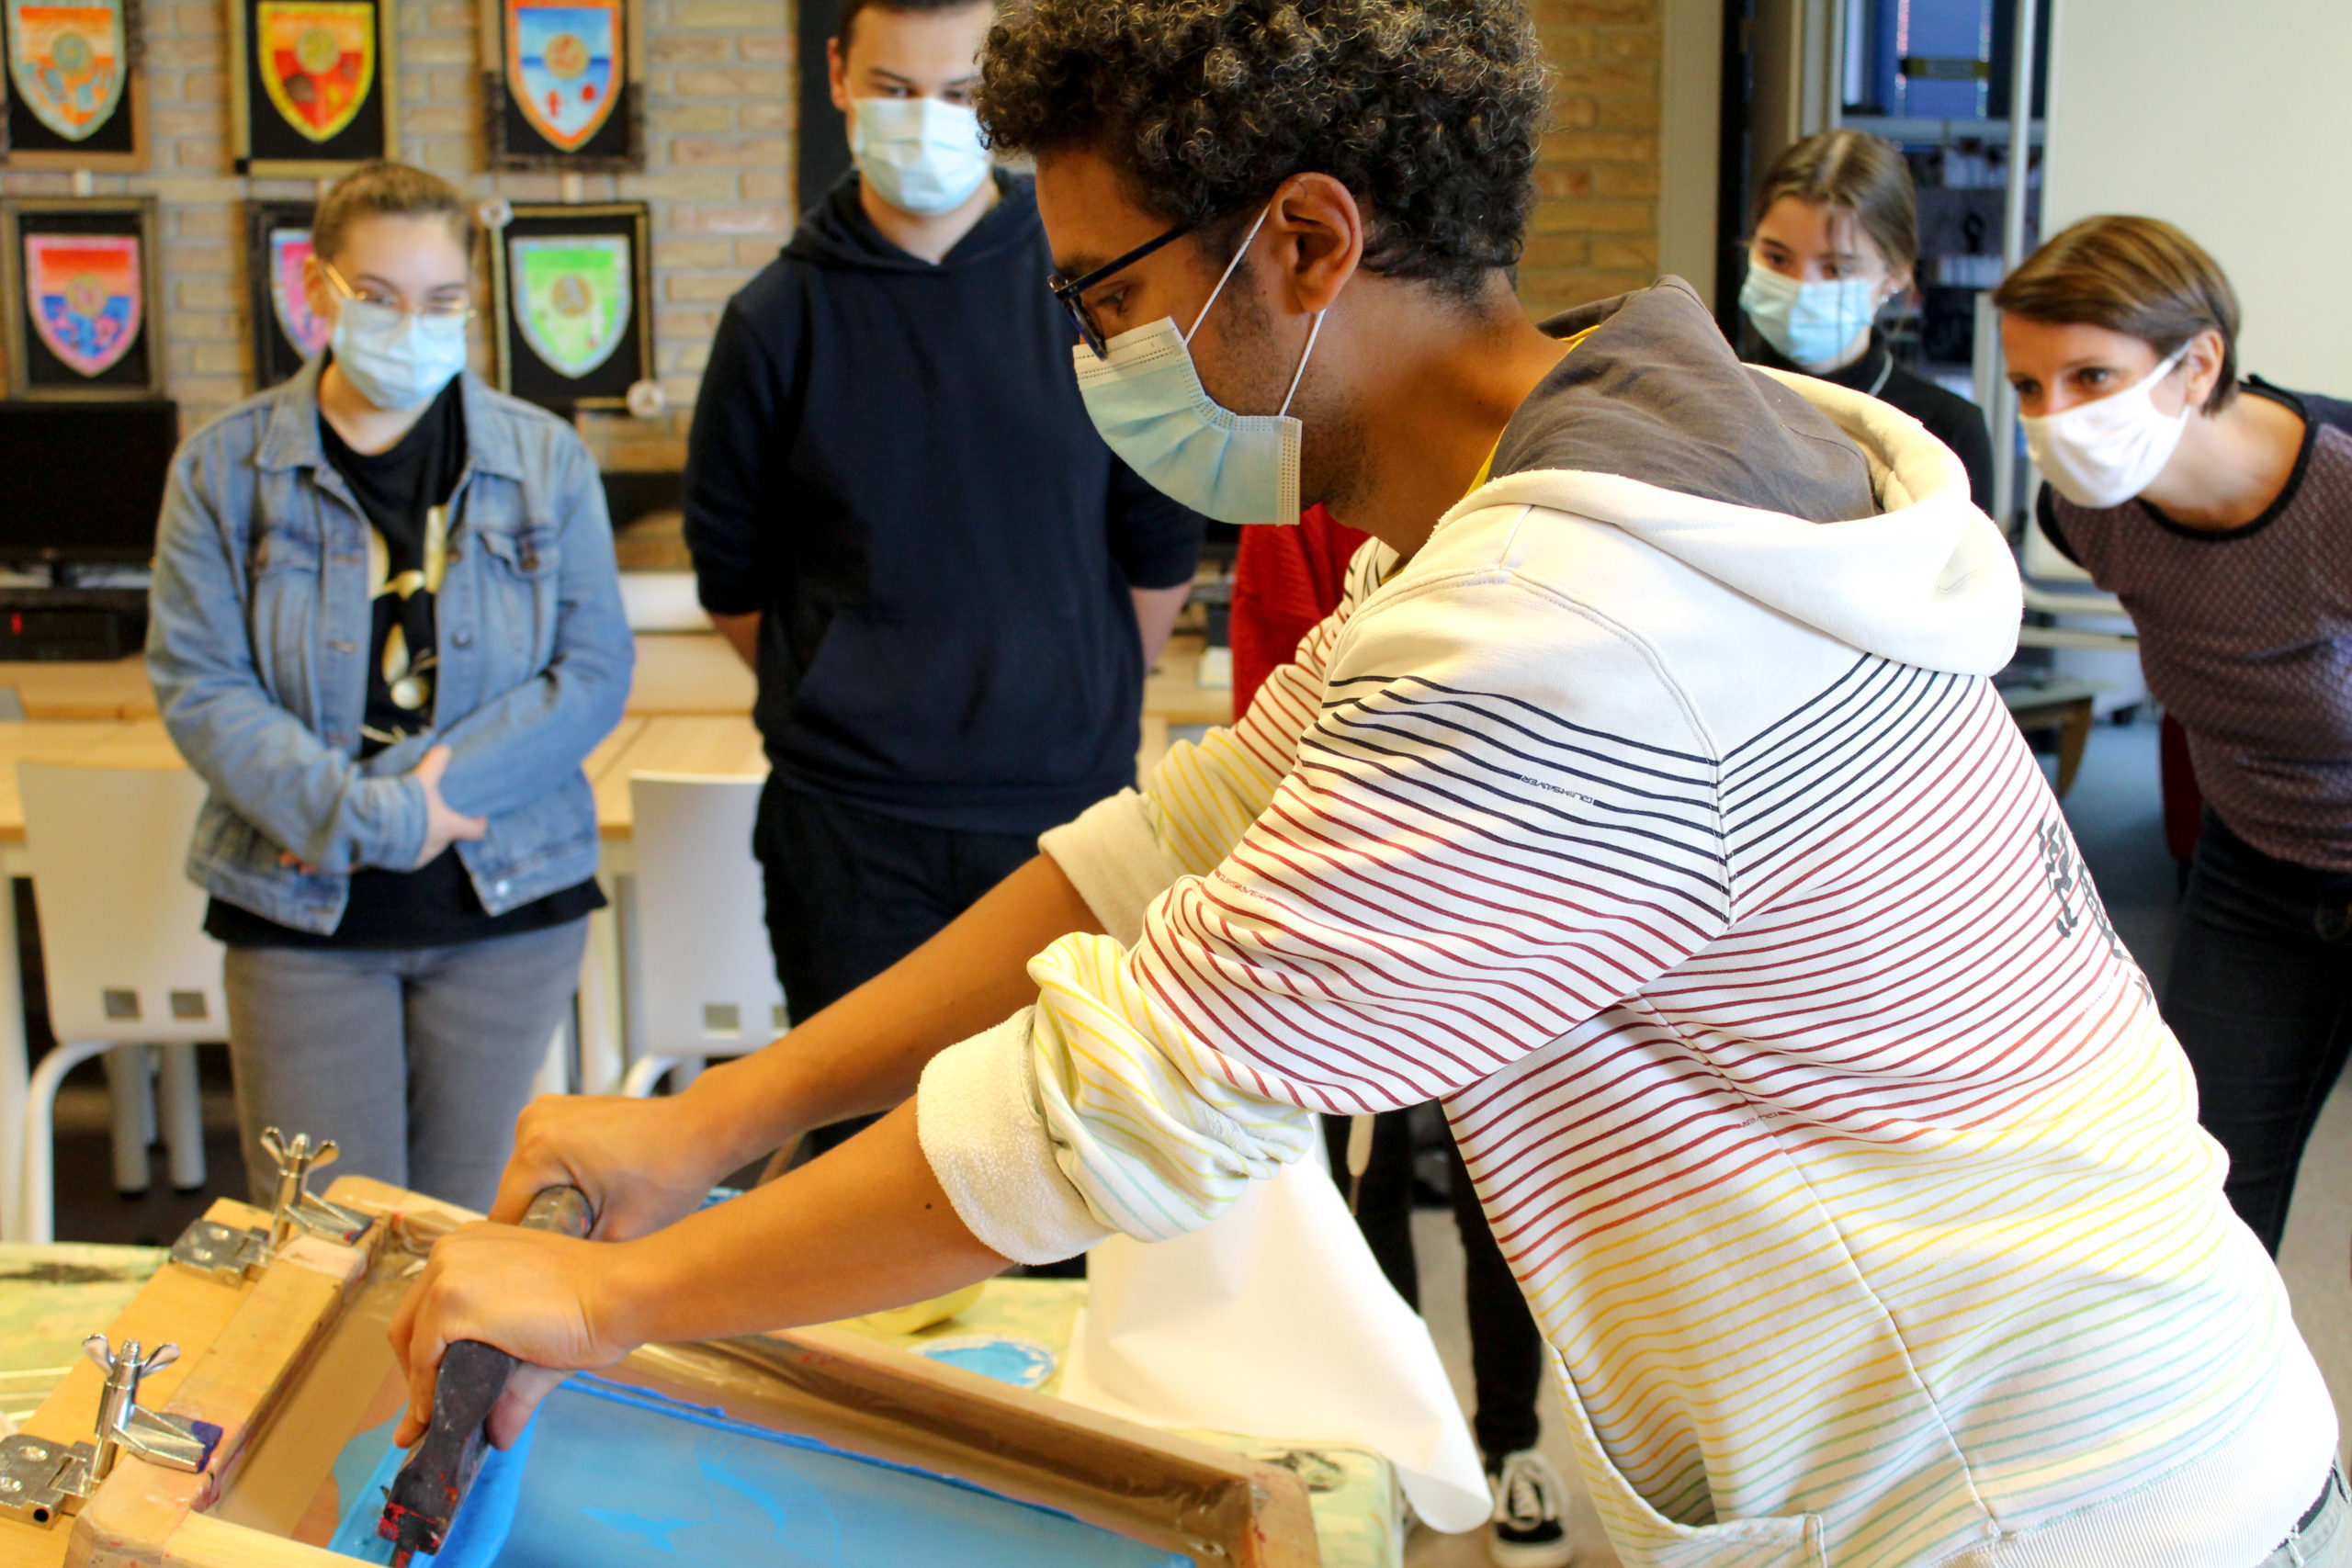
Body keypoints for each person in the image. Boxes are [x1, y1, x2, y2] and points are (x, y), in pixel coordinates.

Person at [390, 3, 2346, 1564]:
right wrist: (716, 1116)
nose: (1084, 350)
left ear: (1305, 243)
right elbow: (1170, 840)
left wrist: (613, 1297)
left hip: (2039, 1491)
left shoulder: (1573, 618)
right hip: (2042, 1409)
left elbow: (1109, 1109)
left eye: (1097, 297)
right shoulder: (1602, 486)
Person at [680, 0, 1205, 1156]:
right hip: (850, 830)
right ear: (838, 76)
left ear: (1003, 100)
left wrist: (1058, 674)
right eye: (896, 88)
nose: (926, 121)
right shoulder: (775, 320)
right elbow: (731, 577)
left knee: (1064, 1161)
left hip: (1063, 818)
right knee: (865, 1167)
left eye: (961, 95)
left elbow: (1157, 539)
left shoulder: (1088, 288)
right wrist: (852, 686)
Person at [147, 162, 632, 1212]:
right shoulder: (224, 469)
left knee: (466, 1237)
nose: (410, 324)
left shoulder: (545, 460)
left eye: (441, 301)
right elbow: (199, 682)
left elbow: (592, 676)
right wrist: (368, 816)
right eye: (377, 296)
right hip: (302, 911)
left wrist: (425, 799)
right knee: (321, 1237)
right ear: (317, 290)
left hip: (505, 901)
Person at [1996, 215, 2352, 1258]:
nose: (2052, 418)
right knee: (2198, 1196)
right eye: (2027, 386)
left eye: (2090, 378)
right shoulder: (2088, 513)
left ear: (2196, 365)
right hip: (2256, 868)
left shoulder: (2339, 493)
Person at [1238, 513, 1570, 1565]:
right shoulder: (1294, 493)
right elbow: (1266, 705)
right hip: (1348, 878)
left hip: (1522, 880)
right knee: (1358, 1179)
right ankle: (1393, 1437)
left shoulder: (1541, 484)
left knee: (1505, 1188)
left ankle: (1512, 1442)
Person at [1738, 129, 1996, 512]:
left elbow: (1968, 569)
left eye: (1836, 268)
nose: (1800, 286)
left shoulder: (1946, 430)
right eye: (1777, 259)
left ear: (1894, 275)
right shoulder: (1705, 384)